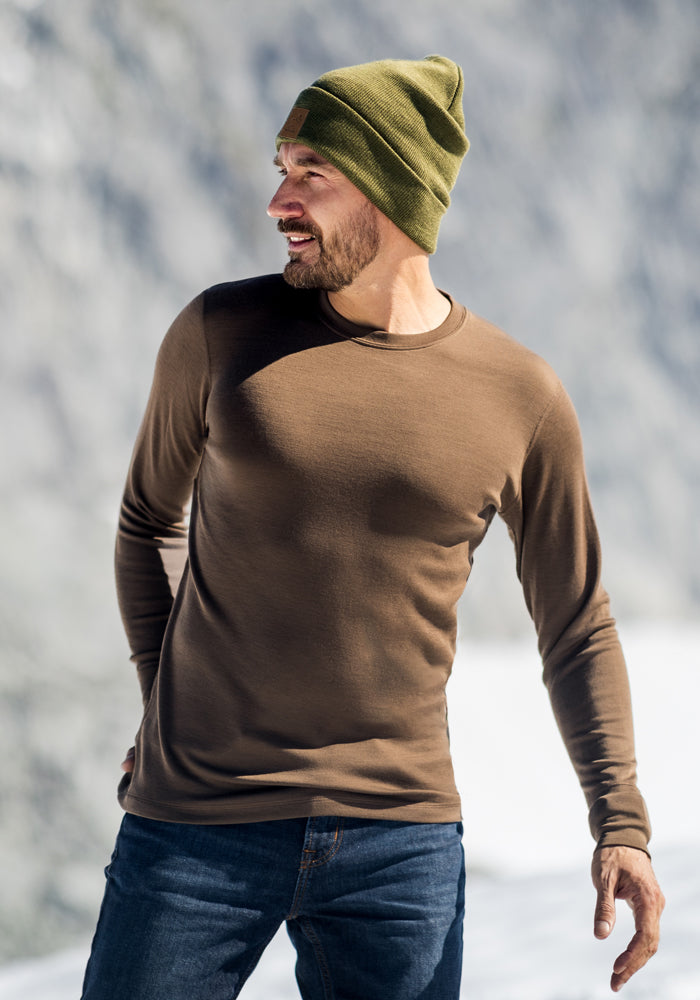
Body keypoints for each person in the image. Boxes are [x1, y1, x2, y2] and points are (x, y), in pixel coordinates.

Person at [81, 55, 664, 999]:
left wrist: (622, 824)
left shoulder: (520, 393)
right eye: (281, 167)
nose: (278, 201)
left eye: (311, 172)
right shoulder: (222, 331)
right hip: (193, 829)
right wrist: (162, 701)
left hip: (402, 847)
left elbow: (577, 623)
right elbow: (147, 520)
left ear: (392, 193)